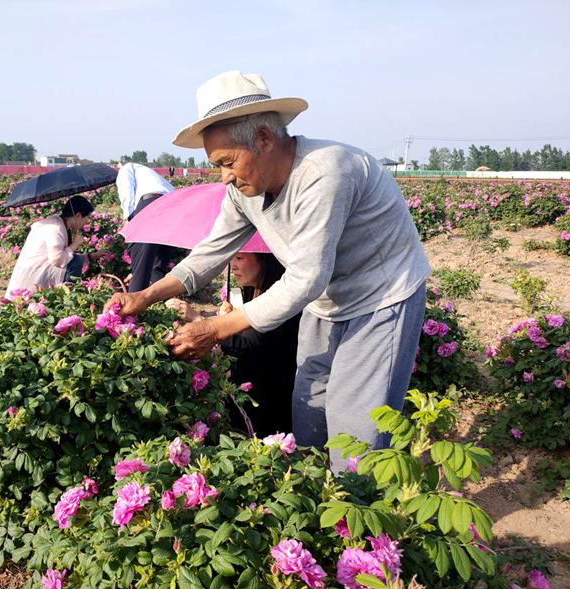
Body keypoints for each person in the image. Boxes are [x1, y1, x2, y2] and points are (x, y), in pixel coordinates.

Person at [105, 70, 431, 471]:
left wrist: (213, 329)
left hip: (380, 298)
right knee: (309, 412)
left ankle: (360, 520)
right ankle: (317, 504)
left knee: (356, 430)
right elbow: (210, 252)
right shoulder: (245, 190)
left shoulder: (325, 172)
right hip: (325, 302)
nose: (224, 176)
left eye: (227, 162)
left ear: (263, 139)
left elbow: (307, 276)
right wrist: (146, 296)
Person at [166, 252, 300, 437]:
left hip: (270, 407)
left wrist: (199, 320)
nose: (233, 265)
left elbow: (247, 348)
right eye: (233, 258)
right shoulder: (257, 290)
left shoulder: (278, 301)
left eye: (240, 258)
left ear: (265, 260)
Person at [5, 195, 100, 298]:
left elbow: (65, 255)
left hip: (36, 270)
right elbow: (58, 260)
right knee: (76, 262)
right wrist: (75, 244)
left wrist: (91, 256)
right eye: (87, 217)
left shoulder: (60, 223)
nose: (88, 221)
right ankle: (69, 298)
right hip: (33, 276)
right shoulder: (56, 228)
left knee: (76, 260)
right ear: (78, 215)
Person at [115, 162, 175, 292]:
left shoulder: (126, 168)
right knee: (157, 265)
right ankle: (166, 303)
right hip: (172, 206)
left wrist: (128, 218)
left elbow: (126, 193)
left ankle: (134, 308)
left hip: (151, 203)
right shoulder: (149, 174)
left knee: (140, 260)